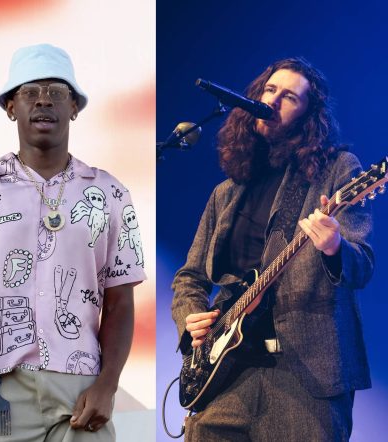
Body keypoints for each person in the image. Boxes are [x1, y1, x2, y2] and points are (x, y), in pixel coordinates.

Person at [0, 44, 146, 442]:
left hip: (81, 388)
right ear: (11, 107)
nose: (44, 99)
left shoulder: (111, 193)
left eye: (57, 91)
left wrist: (108, 386)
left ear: (75, 107)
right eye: (30, 92)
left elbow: (120, 302)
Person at [171, 57, 373, 441]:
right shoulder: (227, 192)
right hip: (226, 375)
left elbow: (362, 264)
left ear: (308, 115)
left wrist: (335, 247)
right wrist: (190, 318)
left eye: (290, 97)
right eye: (270, 90)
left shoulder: (337, 171)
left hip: (305, 378)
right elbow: (189, 277)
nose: (275, 100)